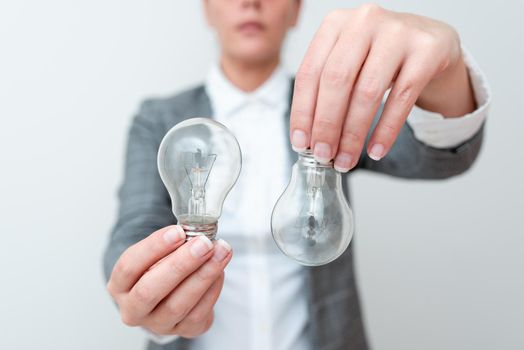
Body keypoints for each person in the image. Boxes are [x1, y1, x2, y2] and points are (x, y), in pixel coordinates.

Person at [103, 1, 490, 349]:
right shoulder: (160, 119)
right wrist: (148, 290)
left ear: (296, 10)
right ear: (207, 9)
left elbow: (437, 157)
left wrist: (445, 69)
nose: (250, 3)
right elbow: (134, 228)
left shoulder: (334, 108)